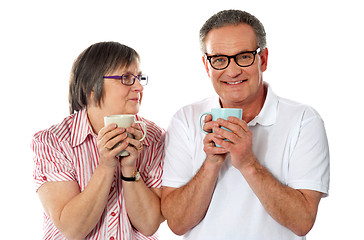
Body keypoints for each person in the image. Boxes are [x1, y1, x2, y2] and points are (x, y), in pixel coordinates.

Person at [161, 10, 330, 240]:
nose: (232, 71)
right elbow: (177, 224)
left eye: (244, 56)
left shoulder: (303, 121)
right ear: (206, 65)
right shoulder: (185, 119)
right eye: (219, 59)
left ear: (263, 59)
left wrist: (249, 164)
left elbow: (303, 222)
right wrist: (211, 164)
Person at [31, 42, 165, 240]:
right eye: (126, 78)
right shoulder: (52, 142)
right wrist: (106, 165)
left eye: (138, 78)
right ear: (91, 86)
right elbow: (72, 229)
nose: (138, 86)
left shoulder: (153, 137)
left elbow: (149, 225)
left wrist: (129, 168)